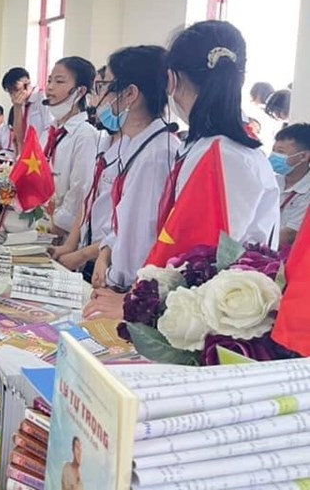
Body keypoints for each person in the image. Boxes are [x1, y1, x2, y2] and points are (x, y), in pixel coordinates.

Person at [86, 21, 280, 319]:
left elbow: (201, 262)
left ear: (172, 80)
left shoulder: (220, 156)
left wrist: (134, 305)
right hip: (187, 309)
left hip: (202, 316)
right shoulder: (209, 146)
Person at [89, 46, 181, 290]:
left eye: (104, 86)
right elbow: (122, 220)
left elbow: (142, 238)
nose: (98, 97)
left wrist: (114, 282)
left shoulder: (157, 154)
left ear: (130, 94)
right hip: (113, 277)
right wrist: (105, 253)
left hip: (129, 288)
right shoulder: (134, 144)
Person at [50, 73, 122, 279]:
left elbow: (129, 226)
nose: (94, 99)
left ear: (129, 94)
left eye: (100, 88)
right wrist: (71, 246)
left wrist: (80, 254)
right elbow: (88, 197)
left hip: (109, 263)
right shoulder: (105, 142)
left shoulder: (88, 135)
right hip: (87, 250)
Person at [42, 57, 99, 238]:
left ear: (80, 91)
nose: (50, 88)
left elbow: (79, 191)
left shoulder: (85, 135)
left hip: (63, 233)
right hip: (41, 222)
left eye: (59, 81)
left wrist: (57, 225)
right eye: (49, 80)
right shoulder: (49, 131)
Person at [271, 123, 310, 246]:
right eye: (273, 150)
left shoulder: (307, 192)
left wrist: (255, 246)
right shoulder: (272, 181)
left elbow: (289, 234)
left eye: (280, 152)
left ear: (303, 156)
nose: (273, 156)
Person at [4, 66, 52, 152]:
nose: (14, 95)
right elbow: (19, 137)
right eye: (11, 92)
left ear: (27, 83)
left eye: (16, 89)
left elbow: (49, 128)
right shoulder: (20, 104)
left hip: (40, 151)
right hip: (26, 152)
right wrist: (17, 108)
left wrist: (38, 151)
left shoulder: (42, 97)